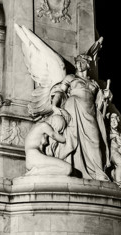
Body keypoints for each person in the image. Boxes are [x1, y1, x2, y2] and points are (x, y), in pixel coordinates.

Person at [49, 53, 112, 181]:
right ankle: (72, 167)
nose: (78, 64)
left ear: (88, 65)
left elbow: (99, 104)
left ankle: (99, 173)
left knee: (96, 141)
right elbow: (60, 92)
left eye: (81, 61)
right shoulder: (70, 77)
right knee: (73, 138)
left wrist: (105, 97)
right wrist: (54, 106)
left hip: (90, 111)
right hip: (74, 107)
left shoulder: (94, 83)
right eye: (77, 61)